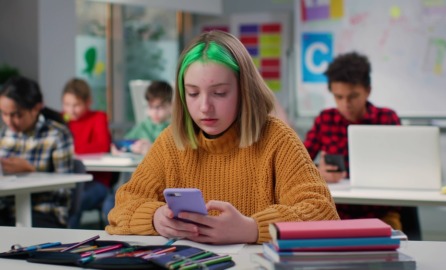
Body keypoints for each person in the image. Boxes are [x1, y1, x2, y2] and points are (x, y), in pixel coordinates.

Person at [105, 30, 339, 244]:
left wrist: (253, 229)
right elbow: (123, 206)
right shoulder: (171, 141)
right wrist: (155, 218)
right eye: (193, 93)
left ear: (244, 91)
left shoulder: (277, 138)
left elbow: (323, 213)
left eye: (219, 93)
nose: (205, 106)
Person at [303, 51, 403, 229]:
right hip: (335, 211)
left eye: (353, 96)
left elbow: (405, 166)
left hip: (381, 212)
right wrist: (318, 171)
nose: (345, 104)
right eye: (338, 97)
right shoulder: (325, 119)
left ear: (368, 91)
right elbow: (298, 167)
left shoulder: (387, 119)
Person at [0, 76, 74, 227]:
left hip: (44, 211)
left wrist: (31, 170)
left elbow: (64, 190)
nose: (9, 121)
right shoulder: (5, 133)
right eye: (4, 114)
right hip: (7, 208)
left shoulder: (57, 134)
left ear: (35, 109)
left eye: (17, 115)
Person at [103, 80, 173, 222]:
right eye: (151, 107)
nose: (154, 112)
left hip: (160, 187)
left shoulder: (173, 127)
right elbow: (128, 141)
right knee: (110, 204)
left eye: (160, 107)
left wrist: (151, 149)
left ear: (171, 106)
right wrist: (121, 148)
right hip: (138, 182)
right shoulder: (143, 125)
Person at [61, 78, 113, 228]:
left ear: (88, 102)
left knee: (74, 199)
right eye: (67, 105)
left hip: (97, 181)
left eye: (76, 105)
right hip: (69, 179)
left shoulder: (98, 117)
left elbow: (103, 145)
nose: (70, 110)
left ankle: (68, 238)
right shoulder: (62, 119)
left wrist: (71, 148)